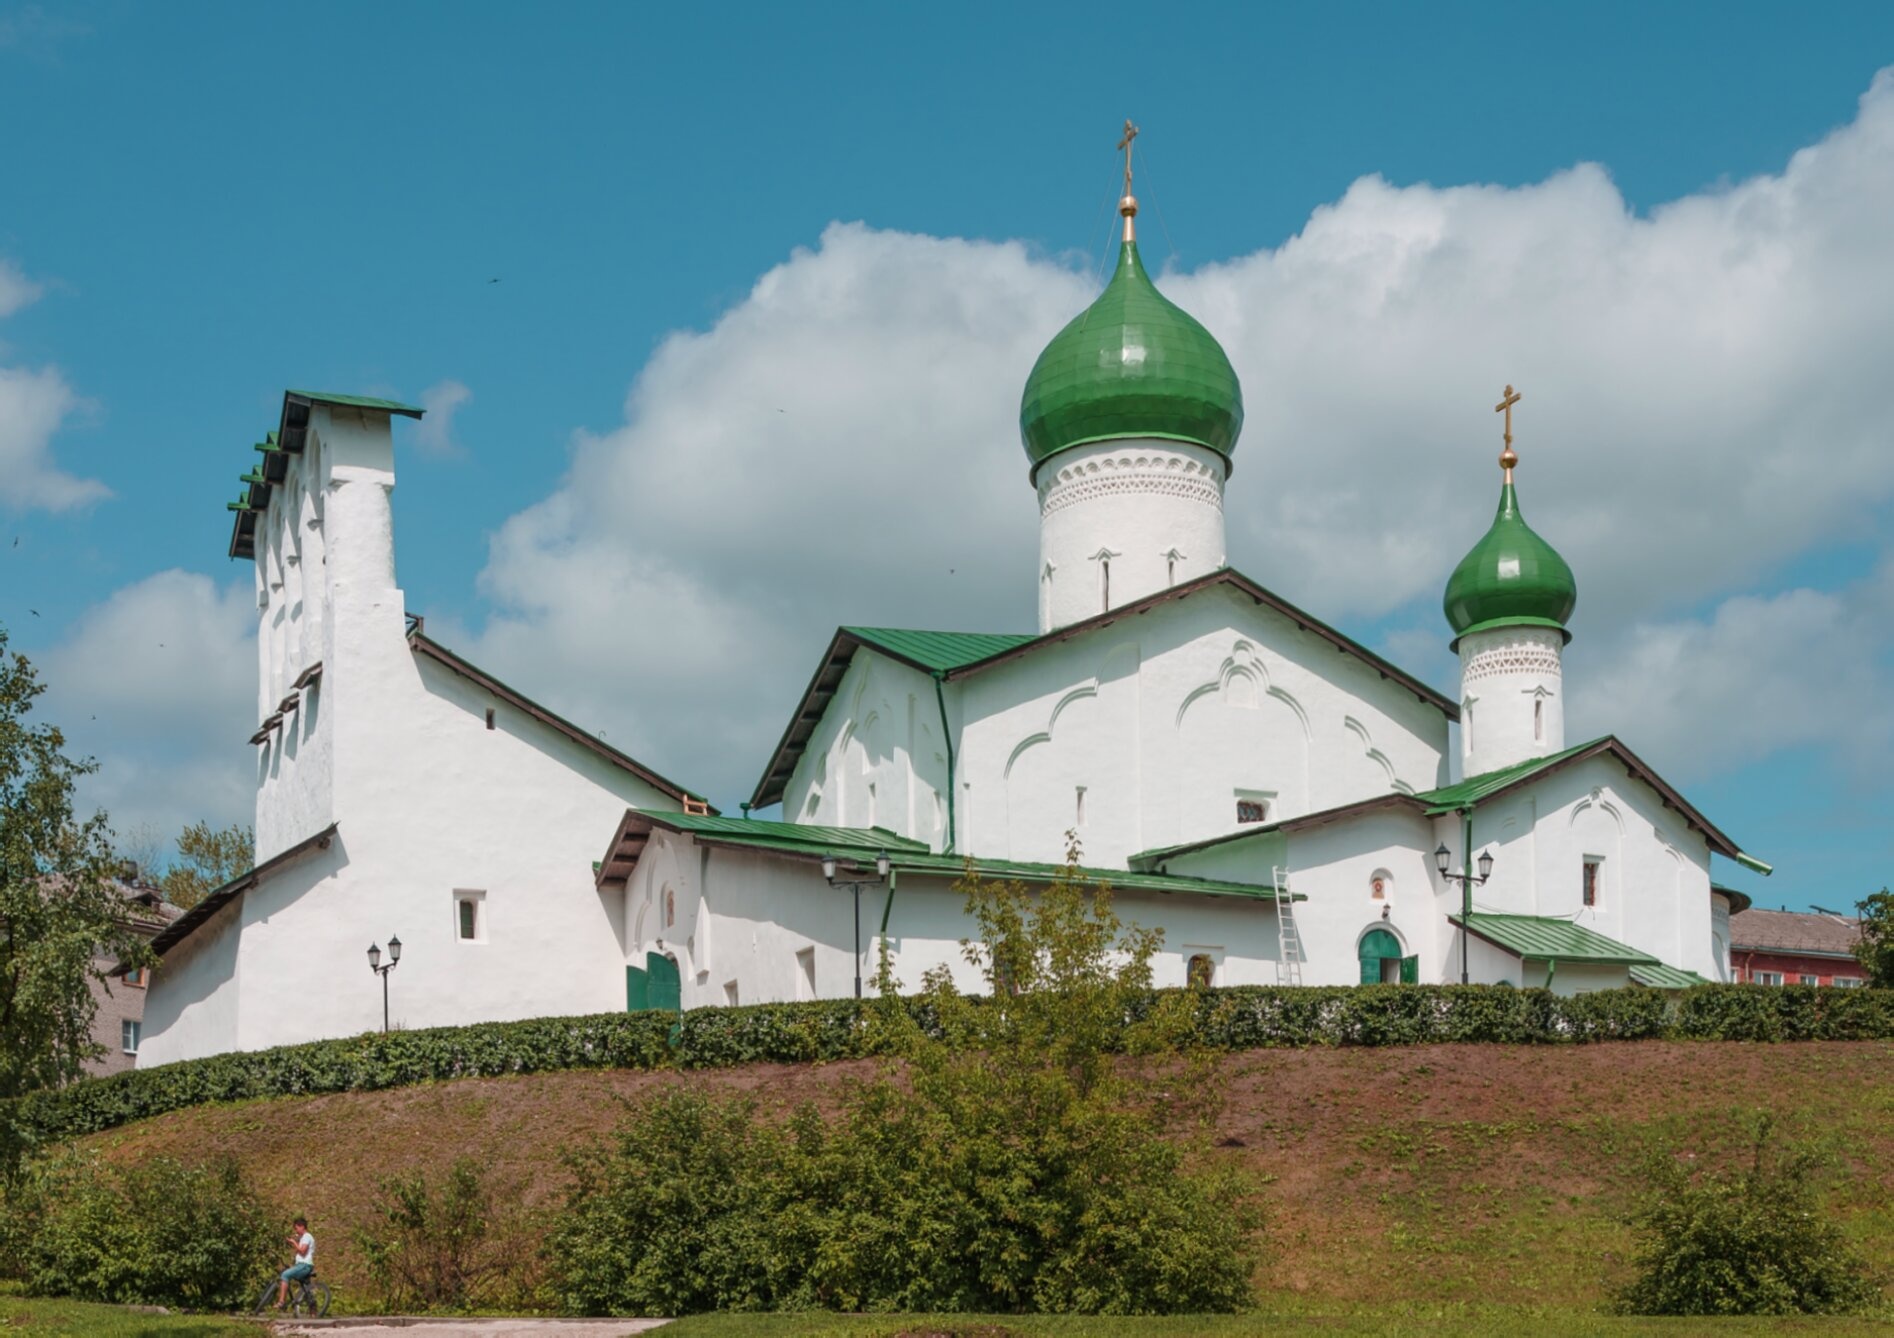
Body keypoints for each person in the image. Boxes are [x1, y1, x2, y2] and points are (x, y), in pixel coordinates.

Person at [275, 1216, 316, 1308]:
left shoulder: (307, 1236)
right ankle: (314, 1313)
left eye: (296, 1228)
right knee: (307, 1290)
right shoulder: (303, 1238)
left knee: (285, 1275)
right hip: (302, 1265)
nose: (296, 1231)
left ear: (302, 1226)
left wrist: (294, 1242)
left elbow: (302, 1251)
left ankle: (281, 1302)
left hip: (304, 1265)